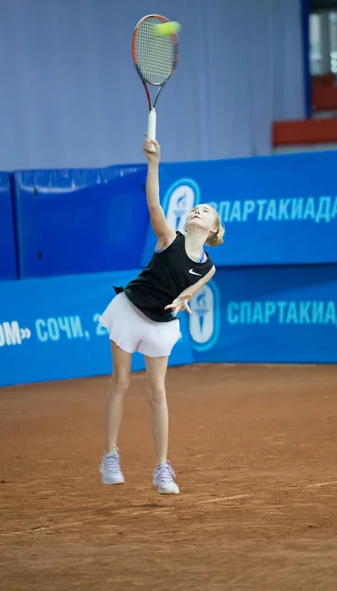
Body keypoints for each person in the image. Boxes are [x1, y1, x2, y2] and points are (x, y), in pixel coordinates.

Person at [98, 136, 225, 494]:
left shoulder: (209, 268)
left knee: (157, 392)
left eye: (206, 211)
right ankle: (110, 455)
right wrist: (154, 162)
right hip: (129, 310)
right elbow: (154, 202)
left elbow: (190, 290)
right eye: (196, 208)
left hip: (162, 324)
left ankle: (162, 468)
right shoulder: (169, 237)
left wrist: (183, 300)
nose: (198, 210)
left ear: (213, 230)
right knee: (121, 382)